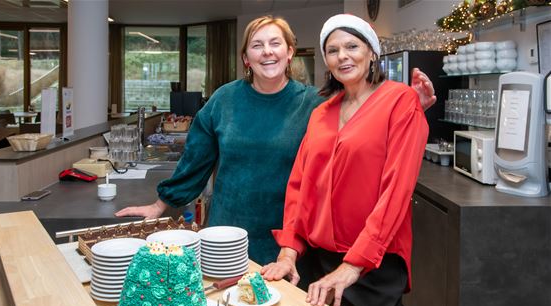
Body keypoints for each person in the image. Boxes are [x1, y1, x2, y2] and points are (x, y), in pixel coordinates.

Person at [116, 15, 435, 267]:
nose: (267, 51)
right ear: (245, 58)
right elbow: (196, 159)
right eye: (257, 45)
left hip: (293, 239)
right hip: (229, 228)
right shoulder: (224, 100)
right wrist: (161, 204)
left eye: (275, 43)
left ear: (289, 52)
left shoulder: (316, 103)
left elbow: (362, 125)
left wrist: (409, 108)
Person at [261, 14, 429, 306]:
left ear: (372, 53)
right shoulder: (322, 112)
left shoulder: (401, 101)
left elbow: (396, 191)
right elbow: (300, 186)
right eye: (333, 50)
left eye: (352, 46)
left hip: (372, 266)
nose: (343, 56)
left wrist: (352, 266)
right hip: (317, 260)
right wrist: (288, 252)